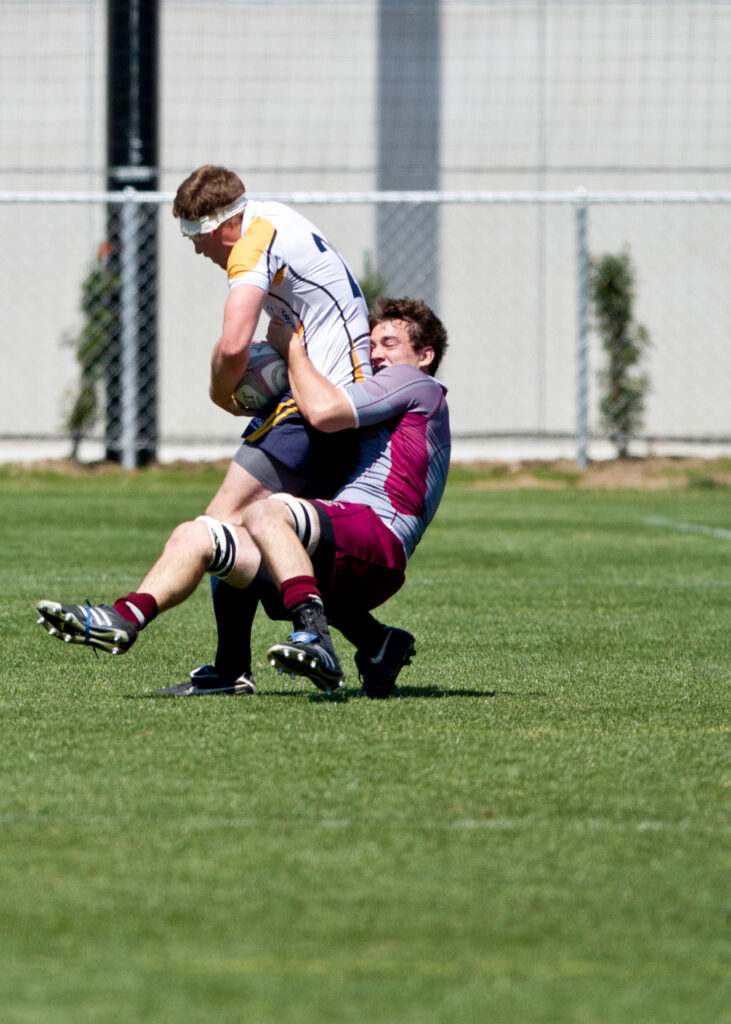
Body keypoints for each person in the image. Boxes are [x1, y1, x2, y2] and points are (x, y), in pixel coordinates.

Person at [35, 298, 449, 699]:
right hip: (349, 551)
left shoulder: (417, 383)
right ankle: (126, 616)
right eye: (371, 344)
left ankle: (314, 635)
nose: (375, 354)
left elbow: (324, 409)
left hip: (378, 537)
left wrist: (290, 347)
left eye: (389, 344)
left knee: (267, 512)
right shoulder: (386, 394)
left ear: (425, 354)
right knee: (202, 535)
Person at [171, 164, 398, 683]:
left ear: (221, 224)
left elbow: (232, 345)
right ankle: (372, 639)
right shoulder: (275, 220)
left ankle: (248, 661)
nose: (197, 249)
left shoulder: (253, 243)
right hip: (327, 404)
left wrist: (220, 393)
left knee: (219, 526)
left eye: (195, 234)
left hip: (321, 409)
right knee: (264, 537)